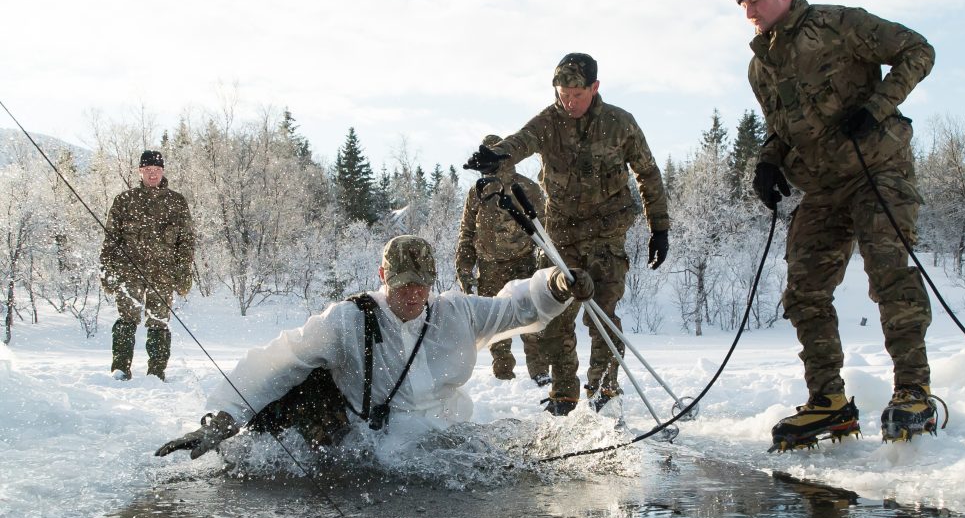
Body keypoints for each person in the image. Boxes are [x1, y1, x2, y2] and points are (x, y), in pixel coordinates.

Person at [155, 235, 594, 460]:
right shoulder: (348, 321)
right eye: (402, 285)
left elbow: (514, 309)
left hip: (448, 439)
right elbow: (280, 362)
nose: (412, 296)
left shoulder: (456, 313)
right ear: (383, 276)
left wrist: (556, 285)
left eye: (421, 286)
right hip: (381, 450)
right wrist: (224, 417)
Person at [735, 0, 938, 448]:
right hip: (822, 187)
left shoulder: (837, 24)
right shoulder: (760, 65)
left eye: (757, 1)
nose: (749, 12)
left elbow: (918, 50)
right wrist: (767, 163)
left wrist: (877, 107)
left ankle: (914, 391)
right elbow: (780, 127)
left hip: (877, 170)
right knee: (803, 290)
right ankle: (829, 403)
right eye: (742, 4)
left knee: (889, 273)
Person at [465, 53, 670, 416]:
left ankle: (604, 387)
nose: (569, 102)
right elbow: (521, 140)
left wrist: (660, 227)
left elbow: (648, 174)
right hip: (561, 232)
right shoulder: (550, 121)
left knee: (602, 312)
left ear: (595, 87)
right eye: (563, 94)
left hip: (607, 232)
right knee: (554, 313)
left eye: (576, 94)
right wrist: (496, 156)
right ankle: (564, 392)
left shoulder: (620, 124)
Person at [456, 134, 551, 385]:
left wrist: (544, 267)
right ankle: (503, 377)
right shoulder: (476, 192)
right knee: (495, 325)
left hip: (524, 265)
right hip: (489, 268)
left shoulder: (527, 188)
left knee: (532, 320)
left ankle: (540, 374)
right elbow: (467, 233)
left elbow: (545, 231)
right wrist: (464, 270)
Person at [100, 150, 196, 381]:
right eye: (148, 170)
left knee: (159, 322)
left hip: (163, 274)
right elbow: (111, 239)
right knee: (126, 319)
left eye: (157, 170)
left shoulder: (176, 202)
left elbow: (186, 241)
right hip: (128, 272)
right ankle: (121, 368)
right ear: (140, 171)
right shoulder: (124, 200)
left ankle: (156, 371)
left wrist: (184, 272)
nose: (152, 174)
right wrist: (107, 271)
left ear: (162, 171)